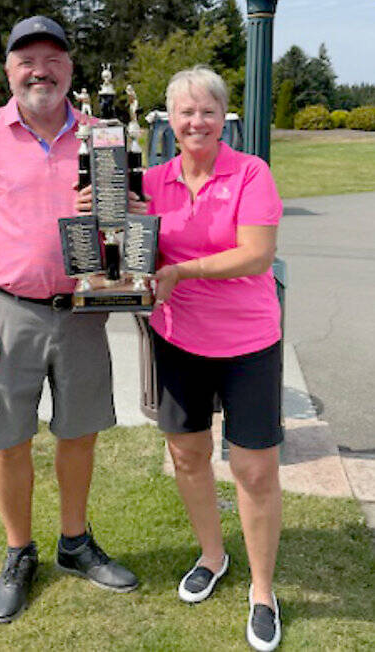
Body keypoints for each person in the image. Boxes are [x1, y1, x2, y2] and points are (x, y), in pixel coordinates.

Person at [0, 15, 139, 625]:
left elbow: (131, 223)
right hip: (7, 310)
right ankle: (19, 550)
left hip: (83, 311)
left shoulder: (104, 135)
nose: (39, 70)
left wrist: (122, 207)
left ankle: (74, 543)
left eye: (52, 58)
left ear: (70, 70)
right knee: (10, 437)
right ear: (9, 71)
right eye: (26, 59)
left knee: (79, 432)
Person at [138, 65, 284, 651]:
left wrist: (181, 270)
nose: (196, 122)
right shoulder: (152, 181)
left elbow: (255, 254)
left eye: (207, 111)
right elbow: (127, 238)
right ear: (169, 121)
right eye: (185, 112)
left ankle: (263, 591)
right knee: (188, 454)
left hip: (248, 342)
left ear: (224, 118)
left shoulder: (251, 173)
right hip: (176, 339)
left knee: (253, 469)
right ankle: (213, 555)